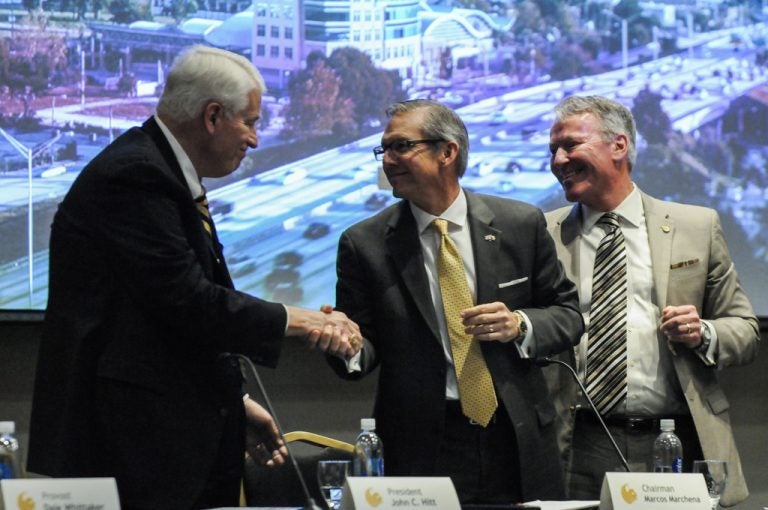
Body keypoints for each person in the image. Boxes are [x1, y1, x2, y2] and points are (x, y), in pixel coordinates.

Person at [27, 45, 361, 510]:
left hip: (169, 439)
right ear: (212, 116)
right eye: (251, 122)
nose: (255, 140)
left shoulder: (160, 168)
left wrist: (232, 399)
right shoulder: (136, 174)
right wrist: (303, 322)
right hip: (134, 452)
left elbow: (162, 324)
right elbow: (186, 299)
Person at [327, 99, 584, 503]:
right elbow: (363, 347)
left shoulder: (520, 224)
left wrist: (520, 324)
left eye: (401, 146)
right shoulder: (365, 244)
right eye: (384, 149)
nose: (388, 160)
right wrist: (348, 346)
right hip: (420, 444)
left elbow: (567, 316)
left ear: (447, 151)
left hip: (514, 434)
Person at [544, 95, 759, 504]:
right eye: (553, 150)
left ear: (619, 146)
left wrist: (704, 333)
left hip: (676, 438)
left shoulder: (695, 226)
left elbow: (745, 332)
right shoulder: (542, 233)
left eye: (570, 145)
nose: (558, 160)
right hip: (577, 440)